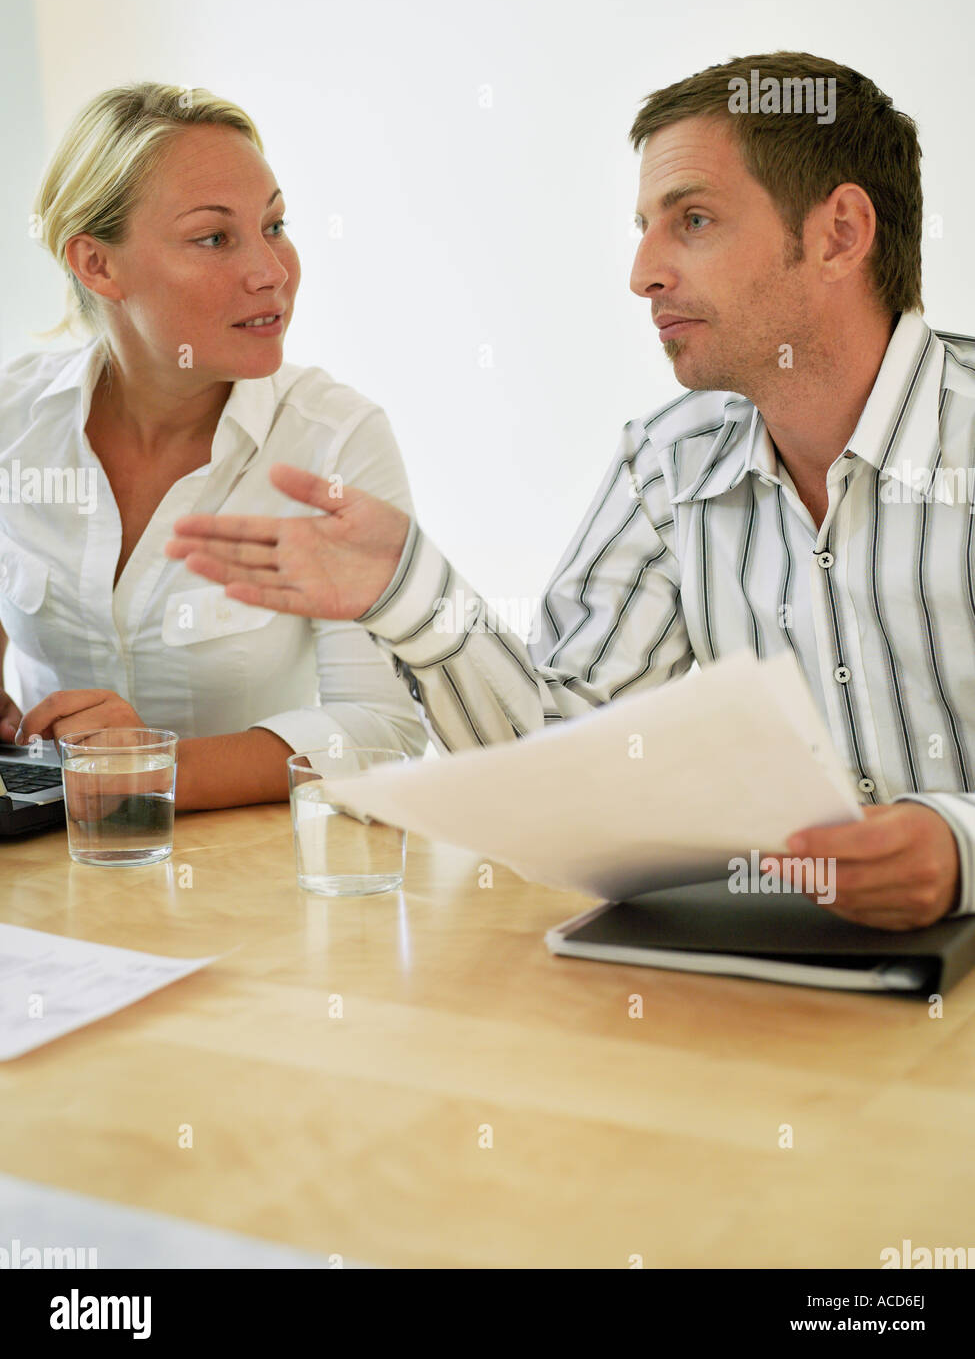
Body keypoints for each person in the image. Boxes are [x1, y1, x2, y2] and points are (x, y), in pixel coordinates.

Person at [166, 51, 975, 929]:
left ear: (839, 234)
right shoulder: (666, 466)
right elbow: (567, 761)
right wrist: (404, 592)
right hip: (780, 995)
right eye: (643, 226)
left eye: (692, 219)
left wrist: (958, 846)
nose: (643, 273)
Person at [0, 83, 427, 809]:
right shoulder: (13, 422)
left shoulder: (335, 440)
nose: (271, 272)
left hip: (247, 893)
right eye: (214, 238)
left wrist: (156, 770)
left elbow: (382, 728)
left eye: (276, 226)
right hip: (41, 880)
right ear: (97, 264)